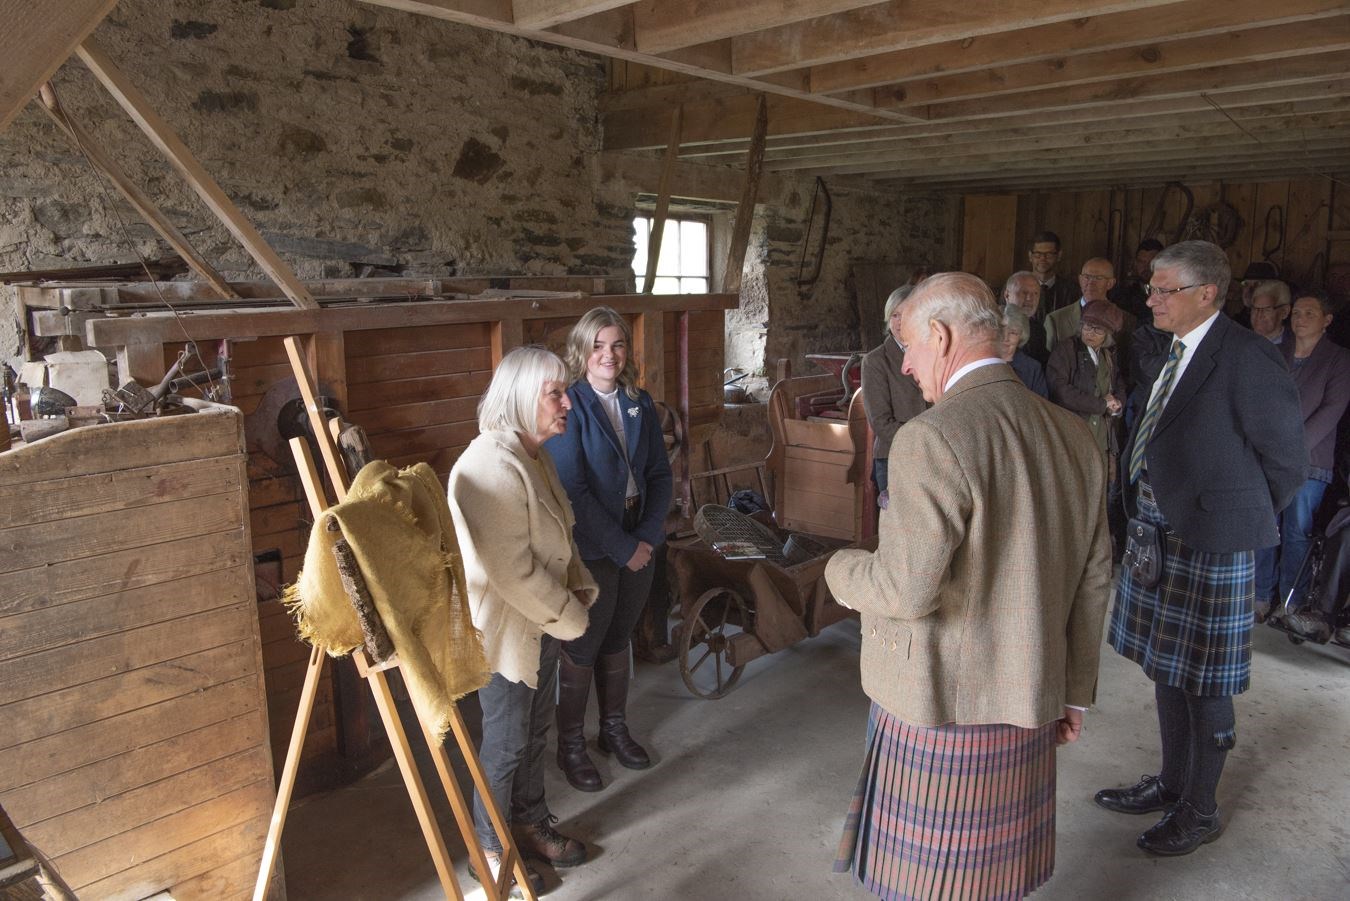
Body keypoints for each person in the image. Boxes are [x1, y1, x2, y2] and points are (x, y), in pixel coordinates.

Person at [826, 272, 1113, 901]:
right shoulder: (1075, 435)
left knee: (928, 884)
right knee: (997, 882)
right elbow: (1094, 580)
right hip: (1032, 691)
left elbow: (905, 590)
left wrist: (839, 569)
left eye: (909, 346)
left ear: (940, 333)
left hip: (941, 704)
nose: (904, 365)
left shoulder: (931, 437)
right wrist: (1075, 692)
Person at [1097, 241, 1305, 858]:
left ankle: (1201, 809)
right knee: (1166, 666)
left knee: (1206, 682)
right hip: (1160, 533)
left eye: (1164, 290)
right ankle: (1170, 782)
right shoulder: (1174, 347)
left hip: (1212, 539)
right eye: (1153, 288)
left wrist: (1229, 516)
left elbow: (1287, 463)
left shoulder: (1246, 358)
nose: (1151, 298)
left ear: (1206, 293)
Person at [448, 345, 599, 894]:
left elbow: (562, 530)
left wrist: (578, 579)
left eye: (566, 391)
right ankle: (487, 851)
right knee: (507, 743)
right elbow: (510, 571)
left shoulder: (534, 455)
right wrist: (571, 616)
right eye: (555, 393)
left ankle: (531, 823)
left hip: (540, 623)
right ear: (517, 399)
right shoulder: (490, 464)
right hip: (505, 633)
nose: (568, 403)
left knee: (535, 732)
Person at [546, 307, 673, 793]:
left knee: (620, 635)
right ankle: (572, 745)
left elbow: (660, 474)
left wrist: (647, 536)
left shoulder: (639, 401)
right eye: (598, 345)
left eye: (618, 345)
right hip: (594, 544)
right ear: (582, 351)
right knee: (585, 640)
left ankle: (613, 730)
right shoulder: (570, 406)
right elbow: (573, 490)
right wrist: (623, 548)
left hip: (638, 536)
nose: (609, 355)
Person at [1265, 291, 1350, 627]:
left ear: (1327, 320)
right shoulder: (1278, 352)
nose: (1300, 319)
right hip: (1269, 453)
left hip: (1310, 459)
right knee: (1265, 526)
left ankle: (1291, 602)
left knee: (1297, 530)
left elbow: (1333, 408)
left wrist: (1292, 449)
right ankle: (1259, 595)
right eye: (1296, 312)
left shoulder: (1338, 359)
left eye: (1309, 313)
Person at [861, 286, 926, 508]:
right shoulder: (876, 361)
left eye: (906, 314)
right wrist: (921, 441)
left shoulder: (931, 354)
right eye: (895, 315)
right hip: (893, 456)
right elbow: (880, 422)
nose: (900, 322)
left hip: (931, 455)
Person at [1047, 300, 1125, 456]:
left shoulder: (1107, 356)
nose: (1090, 333)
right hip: (1072, 434)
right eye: (1087, 326)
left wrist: (1117, 403)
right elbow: (1060, 390)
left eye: (1098, 330)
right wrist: (1101, 404)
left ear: (1108, 335)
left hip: (1100, 437)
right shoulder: (1066, 349)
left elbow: (1118, 385)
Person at [1000, 302, 1049, 398]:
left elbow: (1041, 405)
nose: (1005, 338)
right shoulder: (980, 361)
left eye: (1013, 333)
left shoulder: (1032, 368)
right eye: (1000, 330)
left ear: (1021, 336)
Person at [1111, 238, 1164, 324]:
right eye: (1141, 262)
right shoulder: (1122, 296)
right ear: (1135, 263)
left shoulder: (1170, 295)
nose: (1146, 267)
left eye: (1151, 262)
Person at [1003, 270, 1049, 364]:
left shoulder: (1038, 329)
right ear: (1007, 295)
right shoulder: (992, 323)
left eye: (1035, 293)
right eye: (1024, 293)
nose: (1029, 298)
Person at [1027, 231, 1077, 317]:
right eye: (1038, 254)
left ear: (1059, 256)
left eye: (1049, 254)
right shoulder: (1015, 287)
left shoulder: (1072, 291)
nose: (1043, 259)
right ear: (1030, 256)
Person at [1246, 279, 1292, 346]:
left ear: (1284, 312)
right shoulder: (1241, 341)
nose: (1259, 315)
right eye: (1255, 309)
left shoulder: (1295, 346)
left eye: (1267, 310)